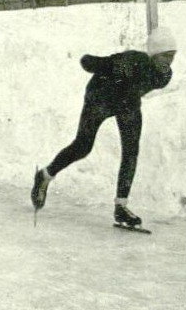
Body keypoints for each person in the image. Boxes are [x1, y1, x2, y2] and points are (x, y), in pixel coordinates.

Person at [30, 26, 177, 227]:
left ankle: (121, 207)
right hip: (101, 97)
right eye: (165, 56)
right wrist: (105, 65)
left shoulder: (164, 77)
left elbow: (139, 87)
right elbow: (91, 62)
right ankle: (45, 176)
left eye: (172, 56)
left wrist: (128, 92)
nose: (169, 61)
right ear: (153, 54)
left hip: (127, 103)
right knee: (83, 146)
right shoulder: (132, 60)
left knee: (131, 151)